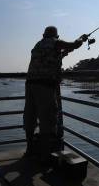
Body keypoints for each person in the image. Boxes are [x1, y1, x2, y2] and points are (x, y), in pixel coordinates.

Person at [23, 26, 88, 161]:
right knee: (48, 119)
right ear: (56, 36)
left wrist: (63, 54)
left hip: (30, 84)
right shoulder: (55, 42)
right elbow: (74, 44)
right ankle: (45, 155)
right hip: (45, 85)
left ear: (43, 35)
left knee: (30, 116)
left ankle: (30, 149)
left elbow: (48, 58)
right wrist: (82, 38)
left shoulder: (38, 45)